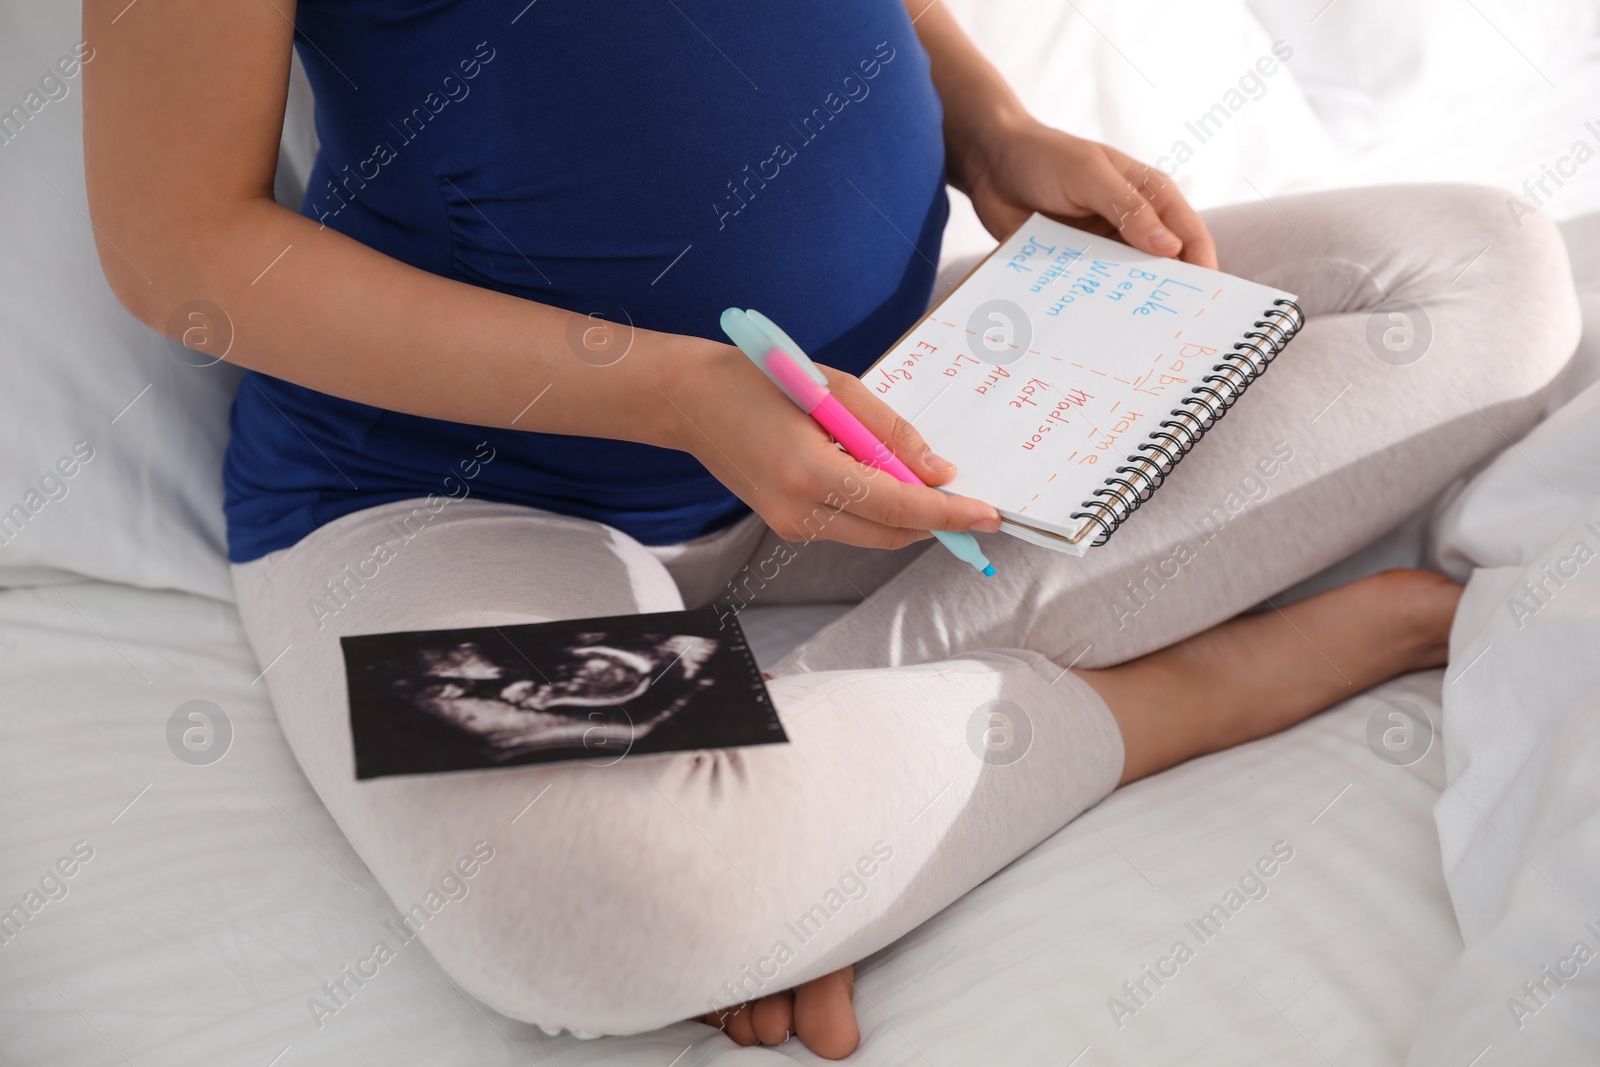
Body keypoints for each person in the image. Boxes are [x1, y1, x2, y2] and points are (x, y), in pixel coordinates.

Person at [82, 0, 1579, 1057]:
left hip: (903, 397)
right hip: (451, 501)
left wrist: (992, 126)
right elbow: (180, 245)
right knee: (606, 908)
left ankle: (823, 759)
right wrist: (677, 392)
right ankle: (1159, 702)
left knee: (1483, 280)